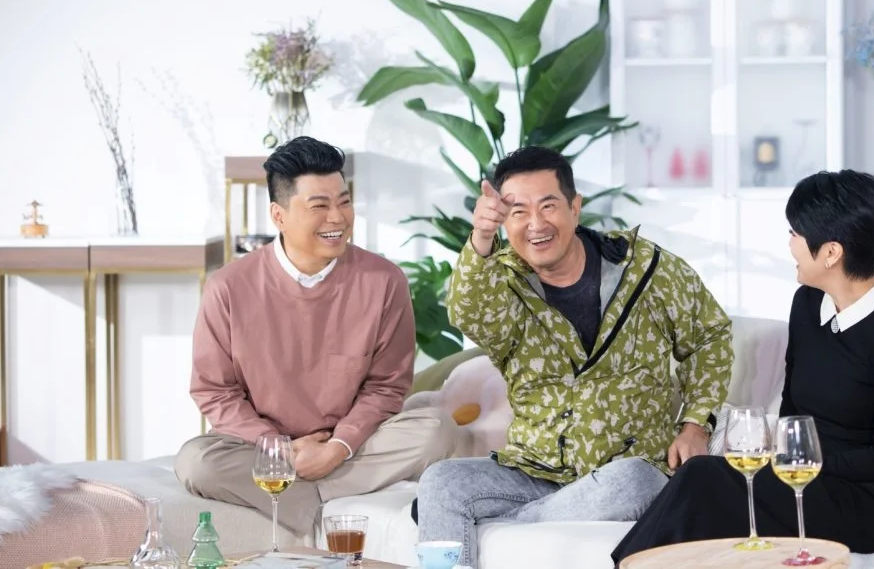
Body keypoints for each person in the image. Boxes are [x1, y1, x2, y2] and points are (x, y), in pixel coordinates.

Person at [414, 146, 734, 568]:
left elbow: (710, 335)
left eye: (548, 206)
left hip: (623, 473)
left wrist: (695, 425)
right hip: (533, 472)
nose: (536, 224)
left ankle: (507, 523)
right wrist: (481, 238)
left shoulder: (646, 269)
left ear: (575, 207)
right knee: (441, 482)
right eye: (518, 212)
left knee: (636, 482)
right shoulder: (503, 282)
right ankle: (521, 520)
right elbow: (468, 314)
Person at [611, 169, 874, 565]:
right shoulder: (807, 303)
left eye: (795, 233)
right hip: (803, 481)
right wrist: (785, 460)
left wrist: (794, 462)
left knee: (703, 479)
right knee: (705, 492)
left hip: (871, 504)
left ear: (831, 252)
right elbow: (793, 408)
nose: (790, 243)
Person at [175, 136, 457, 536]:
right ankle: (322, 504)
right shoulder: (228, 287)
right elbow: (214, 392)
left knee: (436, 430)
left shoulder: (384, 280)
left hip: (350, 446)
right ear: (279, 215)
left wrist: (337, 448)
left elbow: (386, 386)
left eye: (344, 202)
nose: (337, 218)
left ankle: (299, 501)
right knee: (197, 462)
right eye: (319, 206)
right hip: (261, 448)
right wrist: (281, 450)